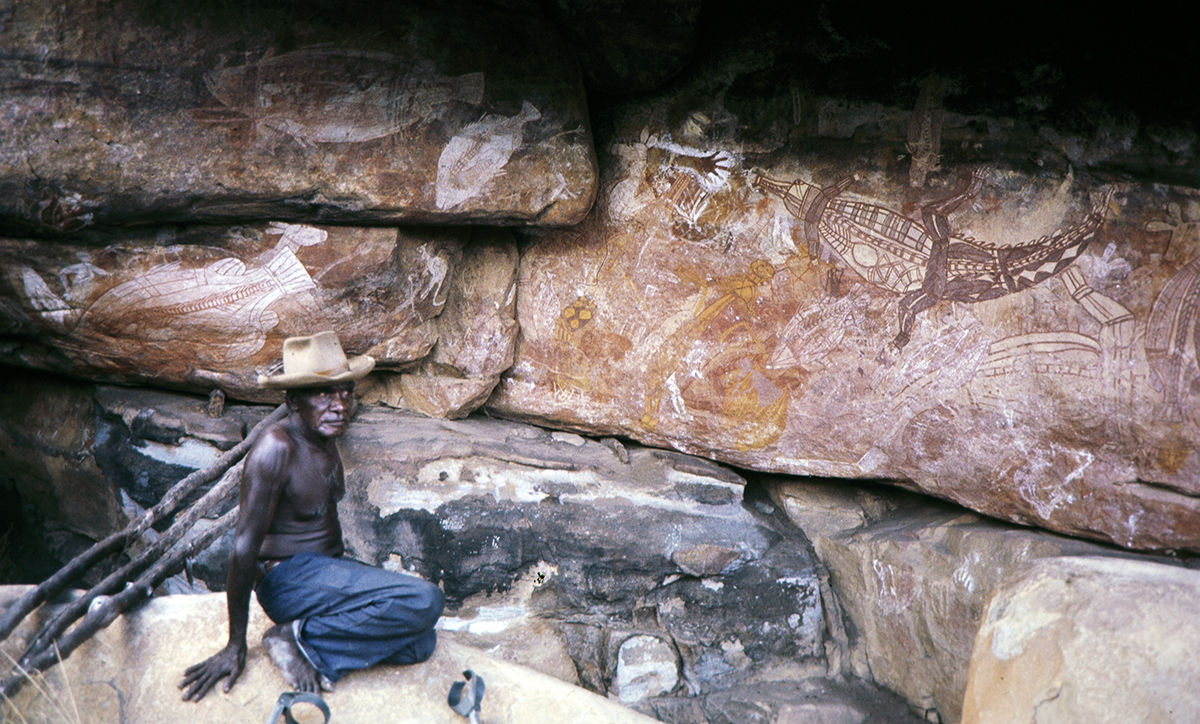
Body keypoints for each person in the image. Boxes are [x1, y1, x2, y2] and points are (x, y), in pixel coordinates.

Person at [179, 331, 444, 701]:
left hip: (324, 575)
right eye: (323, 394)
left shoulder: (325, 433)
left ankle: (305, 638)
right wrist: (234, 645)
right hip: (288, 579)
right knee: (426, 600)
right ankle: (289, 637)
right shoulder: (276, 448)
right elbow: (242, 549)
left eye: (346, 392)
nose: (340, 405)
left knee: (421, 643)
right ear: (293, 402)